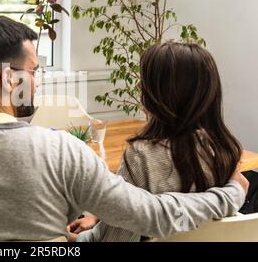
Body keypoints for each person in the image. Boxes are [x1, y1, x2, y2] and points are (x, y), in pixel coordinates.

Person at [0, 16, 248, 241]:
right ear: (8, 78)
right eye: (34, 71)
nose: (37, 81)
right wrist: (231, 194)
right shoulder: (63, 151)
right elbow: (152, 216)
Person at [69, 42, 244, 242]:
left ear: (160, 94)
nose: (139, 88)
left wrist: (69, 240)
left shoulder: (142, 156)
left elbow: (115, 240)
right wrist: (102, 217)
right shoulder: (224, 150)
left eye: (145, 82)